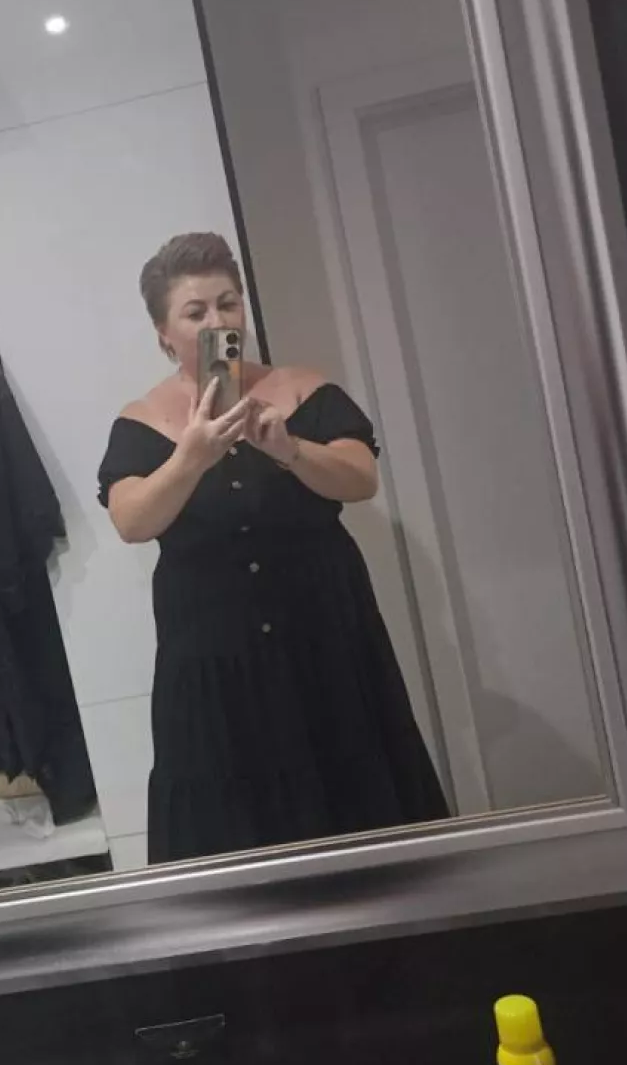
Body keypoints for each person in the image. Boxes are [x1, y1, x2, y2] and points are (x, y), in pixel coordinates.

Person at [97, 231, 449, 863]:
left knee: (356, 796)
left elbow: (360, 479)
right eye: (196, 312)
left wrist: (289, 449)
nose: (217, 322)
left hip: (325, 639)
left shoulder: (302, 390)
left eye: (227, 304)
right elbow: (132, 520)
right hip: (213, 661)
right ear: (164, 335)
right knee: (229, 822)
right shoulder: (141, 421)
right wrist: (191, 457)